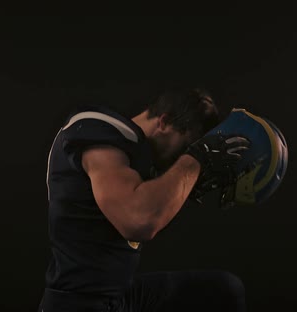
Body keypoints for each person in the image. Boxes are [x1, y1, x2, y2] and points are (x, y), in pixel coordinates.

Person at [40, 88, 250, 312]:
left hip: (117, 296)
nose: (179, 160)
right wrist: (194, 159)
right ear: (164, 122)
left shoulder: (140, 157)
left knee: (224, 290)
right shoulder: (100, 133)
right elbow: (137, 221)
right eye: (184, 148)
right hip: (79, 303)